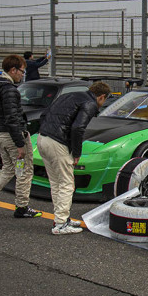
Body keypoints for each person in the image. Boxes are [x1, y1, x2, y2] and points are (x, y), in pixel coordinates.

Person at [0, 54, 43, 221]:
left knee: (8, 168)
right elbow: (12, 118)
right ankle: (22, 207)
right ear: (13, 70)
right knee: (24, 171)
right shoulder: (9, 90)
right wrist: (20, 144)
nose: (22, 75)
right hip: (13, 136)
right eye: (22, 71)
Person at [36, 81, 110, 234]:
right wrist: (76, 153)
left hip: (42, 138)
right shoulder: (90, 103)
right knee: (67, 184)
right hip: (58, 142)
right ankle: (61, 224)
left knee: (56, 183)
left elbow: (44, 115)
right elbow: (78, 128)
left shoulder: (69, 95)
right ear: (102, 96)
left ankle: (61, 218)